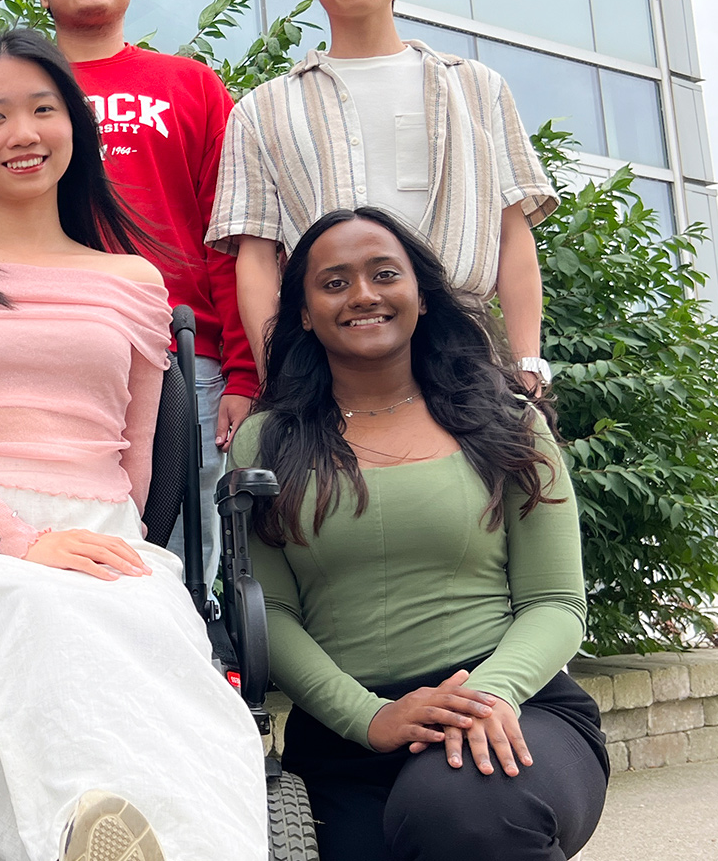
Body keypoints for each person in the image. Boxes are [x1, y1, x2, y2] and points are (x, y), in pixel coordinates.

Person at [0, 28, 267, 861]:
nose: (23, 133)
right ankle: (84, 834)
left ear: (74, 130)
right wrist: (23, 539)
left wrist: (108, 539)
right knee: (41, 614)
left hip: (103, 535)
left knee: (176, 667)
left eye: (45, 109)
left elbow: (137, 452)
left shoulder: (134, 282)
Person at [235, 207, 607, 861]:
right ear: (301, 311)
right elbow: (273, 615)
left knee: (459, 811)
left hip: (512, 710)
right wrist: (371, 718)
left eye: (385, 274)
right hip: (348, 739)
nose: (364, 295)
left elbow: (556, 602)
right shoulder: (265, 444)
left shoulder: (507, 422)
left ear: (421, 295)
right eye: (334, 282)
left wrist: (486, 695)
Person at [207, 0, 558, 395]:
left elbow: (512, 232)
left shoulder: (477, 89)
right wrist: (274, 376)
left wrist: (529, 359)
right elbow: (256, 259)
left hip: (466, 355)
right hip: (329, 364)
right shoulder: (263, 110)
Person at [29, 0, 257, 583]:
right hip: (51, 354)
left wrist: (244, 371)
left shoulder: (191, 86)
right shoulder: (16, 84)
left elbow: (230, 235)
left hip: (185, 360)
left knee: (186, 563)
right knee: (67, 552)